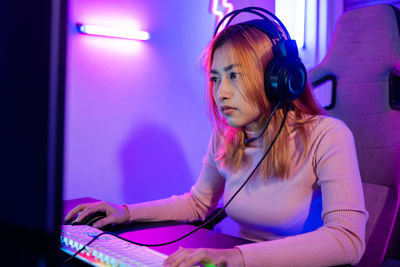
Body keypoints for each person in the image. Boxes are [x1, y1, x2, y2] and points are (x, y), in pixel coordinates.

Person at [65, 9, 368, 267]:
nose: (221, 92)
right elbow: (198, 204)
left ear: (276, 79)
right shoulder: (227, 136)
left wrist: (236, 257)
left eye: (234, 75)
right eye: (215, 78)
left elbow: (347, 239)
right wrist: (125, 213)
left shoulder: (328, 136)